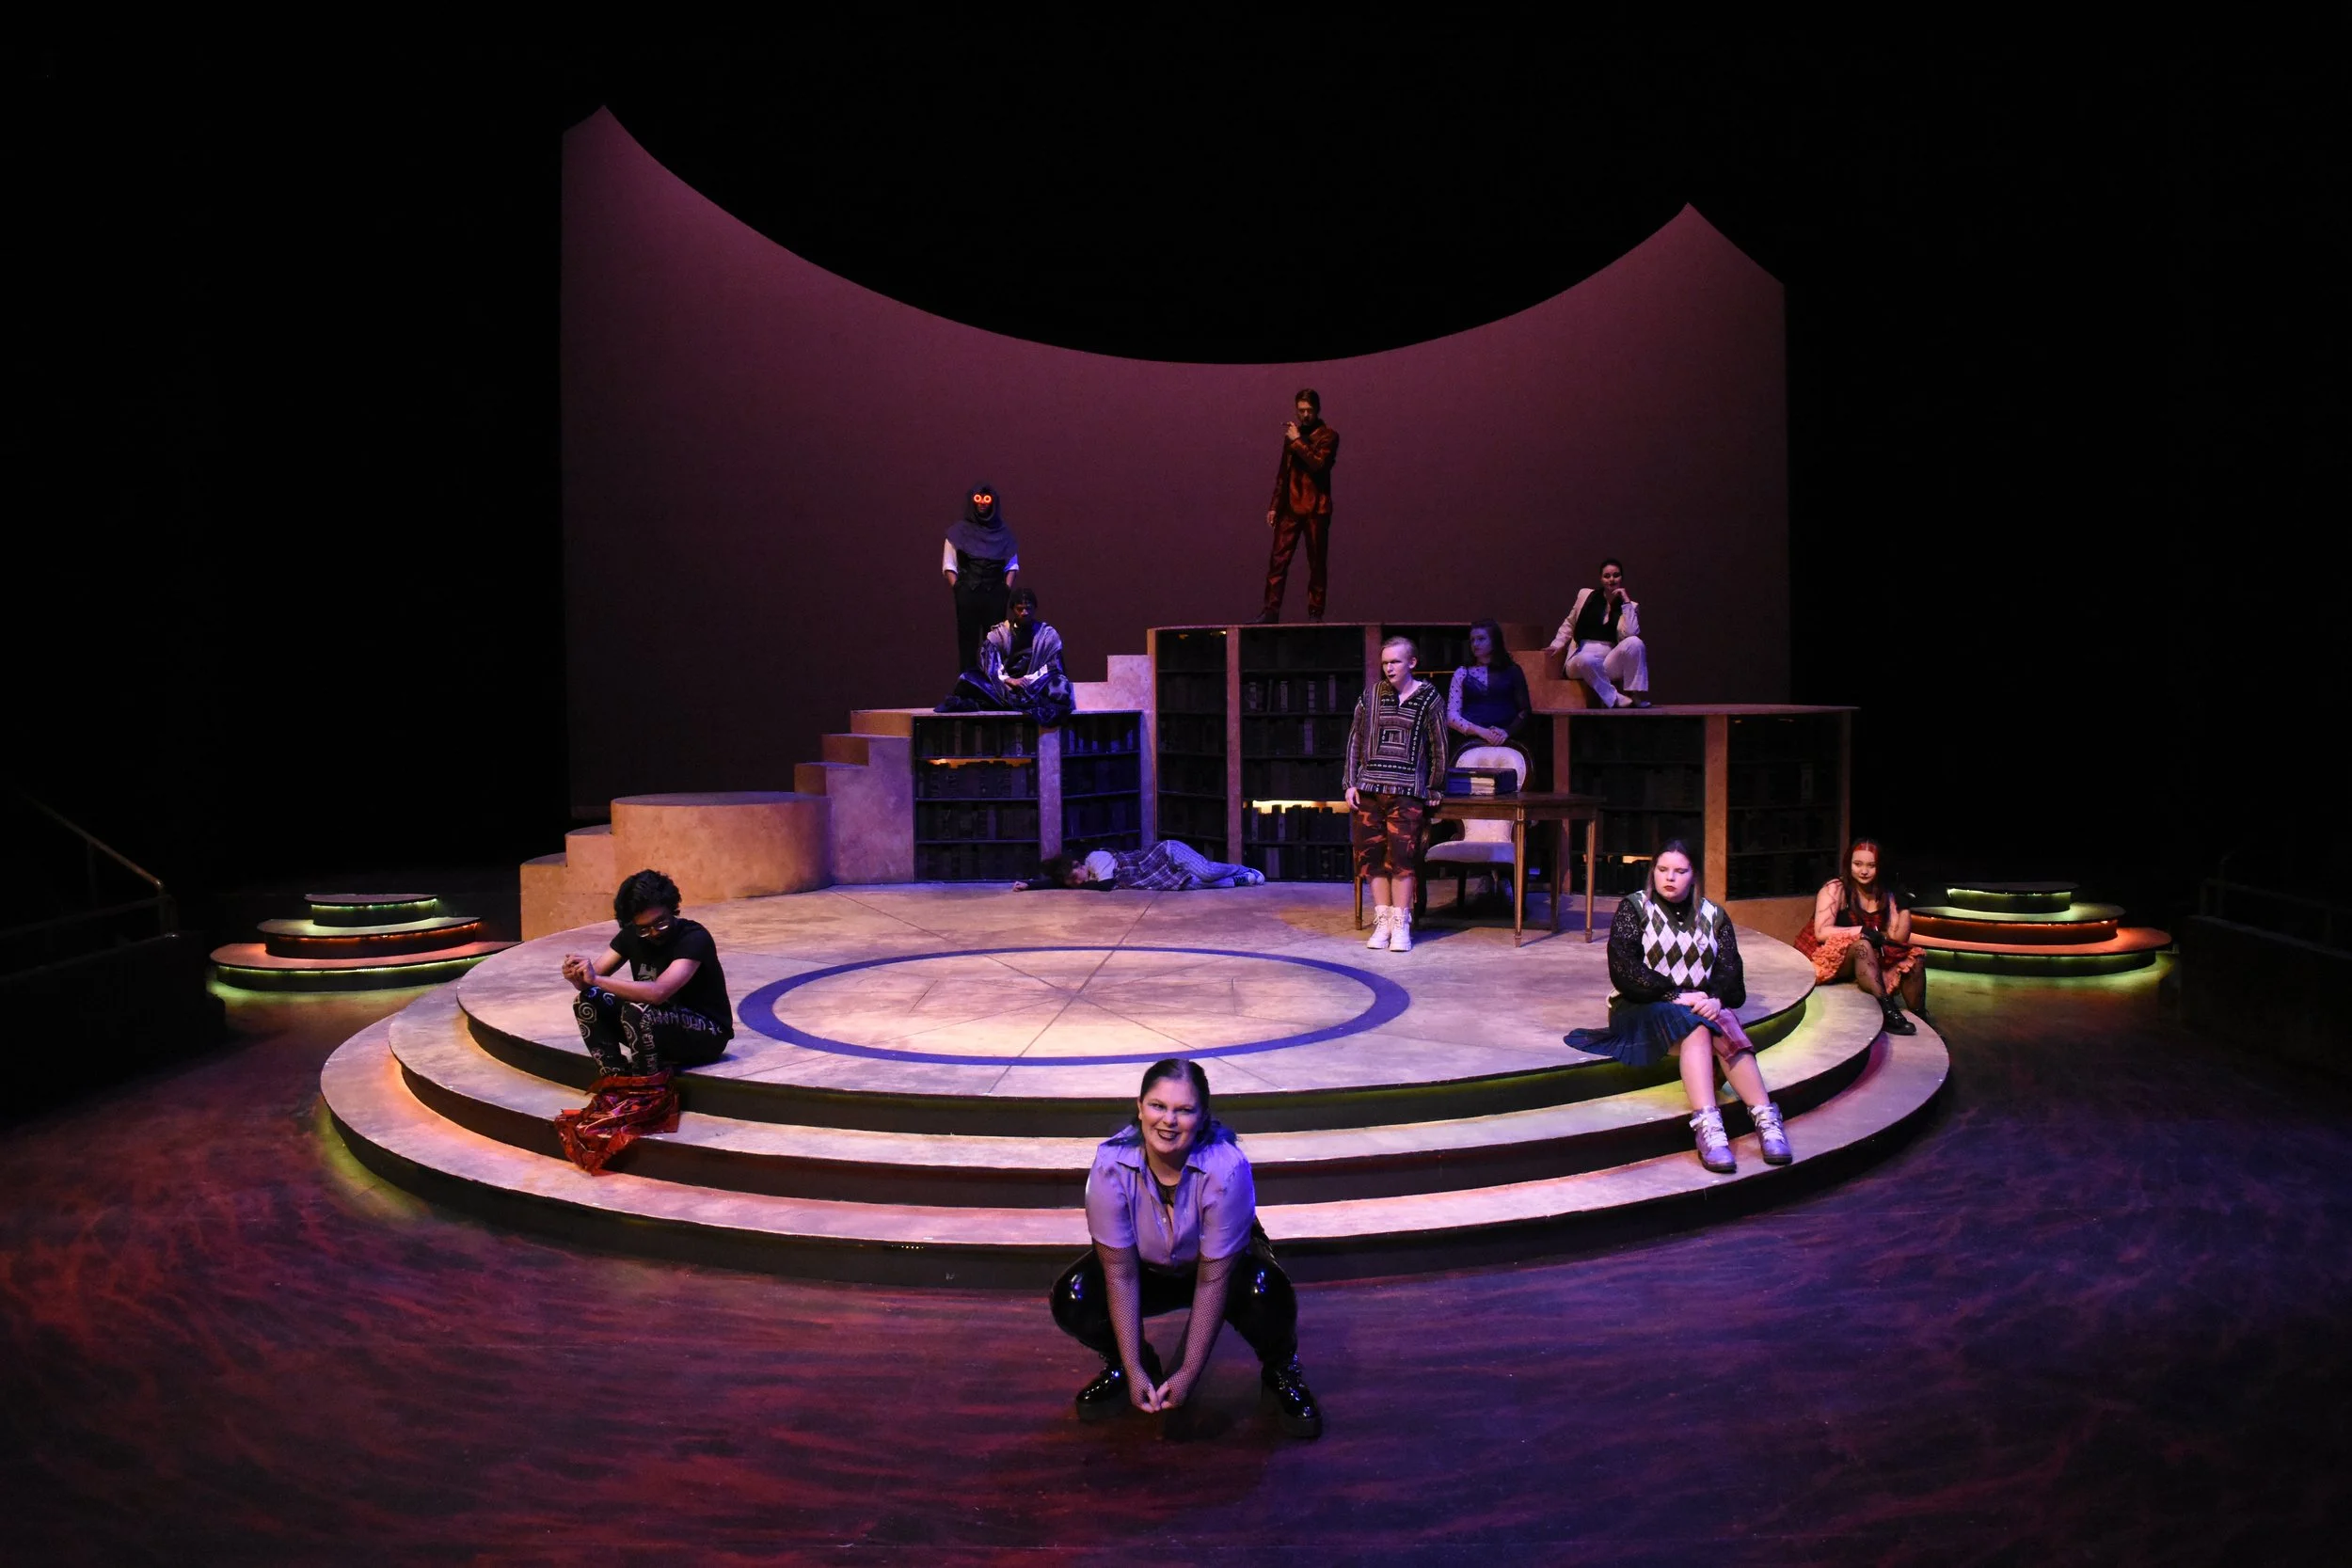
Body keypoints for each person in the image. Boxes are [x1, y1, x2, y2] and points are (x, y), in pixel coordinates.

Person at [1048, 1058, 1323, 1438]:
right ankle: (1123, 1363)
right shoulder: (1110, 1164)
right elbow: (1121, 1274)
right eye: (1158, 1106)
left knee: (1267, 1291)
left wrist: (1189, 1373)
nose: (1168, 1120)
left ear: (1203, 1115)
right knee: (1075, 1295)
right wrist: (1134, 1369)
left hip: (1219, 1272)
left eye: (1184, 1110)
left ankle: (1281, 1370)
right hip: (1147, 1269)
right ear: (1139, 1107)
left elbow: (1213, 1282)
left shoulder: (1227, 1168)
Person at [1563, 842, 1793, 1175]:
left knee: (1716, 1017)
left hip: (1697, 1009)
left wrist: (1716, 998)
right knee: (1699, 1025)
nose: (1670, 878)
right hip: (1640, 1006)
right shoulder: (1634, 908)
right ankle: (1710, 1128)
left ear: (1694, 876)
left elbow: (1731, 974)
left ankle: (1765, 1120)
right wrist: (1673, 994)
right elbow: (1625, 971)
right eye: (1662, 870)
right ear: (1652, 872)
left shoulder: (1714, 916)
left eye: (1680, 871)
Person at [553, 869, 734, 1174]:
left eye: (660, 922)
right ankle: (617, 1086)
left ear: (672, 909)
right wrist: (578, 975)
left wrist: (595, 979)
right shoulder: (631, 937)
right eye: (644, 928)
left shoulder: (694, 937)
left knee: (638, 1009)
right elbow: (592, 981)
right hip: (653, 1026)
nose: (654, 932)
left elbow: (659, 992)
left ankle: (648, 1099)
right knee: (587, 1003)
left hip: (705, 1032)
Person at [1347, 635, 1448, 954]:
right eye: (1386, 662)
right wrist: (1350, 782)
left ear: (1412, 663)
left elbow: (1439, 746)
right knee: (1372, 858)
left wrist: (1434, 785)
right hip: (1370, 789)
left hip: (1406, 792)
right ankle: (1383, 922)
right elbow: (1355, 739)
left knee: (1402, 859)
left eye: (1396, 662)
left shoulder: (1429, 698)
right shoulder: (1371, 696)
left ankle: (1401, 923)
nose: (1389, 668)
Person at [1794, 837, 1924, 1036]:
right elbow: (1821, 932)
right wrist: (1860, 931)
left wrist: (1904, 906)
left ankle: (1921, 1017)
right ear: (1849, 864)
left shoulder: (1884, 893)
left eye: (1871, 866)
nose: (1864, 871)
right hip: (1828, 957)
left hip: (1868, 957)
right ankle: (1887, 1010)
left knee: (1915, 959)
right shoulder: (1835, 889)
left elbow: (1898, 939)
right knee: (1862, 945)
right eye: (1858, 864)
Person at [936, 588, 1076, 722]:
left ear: (1035, 608)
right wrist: (1009, 680)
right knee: (967, 679)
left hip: (1035, 685)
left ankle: (1012, 702)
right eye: (1020, 609)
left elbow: (1052, 666)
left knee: (1060, 685)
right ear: (1013, 609)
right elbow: (991, 665)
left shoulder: (1047, 634)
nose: (1025, 613)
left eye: (1028, 608)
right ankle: (1009, 700)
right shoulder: (1000, 633)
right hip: (1004, 686)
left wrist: (1028, 680)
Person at [1258, 389, 1339, 623]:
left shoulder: (1329, 436)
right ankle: (1271, 611)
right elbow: (1283, 473)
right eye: (1301, 410)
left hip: (1316, 508)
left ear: (1317, 410)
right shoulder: (1291, 437)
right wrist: (1274, 505)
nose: (1305, 415)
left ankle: (1315, 612)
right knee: (1277, 561)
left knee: (1316, 562)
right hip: (1290, 508)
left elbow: (1319, 464)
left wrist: (1298, 441)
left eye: (1309, 411)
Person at [1541, 558, 1649, 708]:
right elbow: (1570, 623)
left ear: (1621, 578)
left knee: (1635, 643)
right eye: (1607, 576)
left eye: (1616, 575)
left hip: (1607, 660)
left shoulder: (1629, 606)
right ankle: (1615, 698)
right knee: (1586, 659)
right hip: (1580, 660)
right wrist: (1557, 644)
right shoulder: (1586, 596)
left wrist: (1625, 601)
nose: (1611, 579)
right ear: (1601, 578)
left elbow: (1631, 632)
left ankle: (1633, 694)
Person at [943, 482, 1020, 678]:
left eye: (987, 499)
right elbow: (949, 565)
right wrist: (959, 590)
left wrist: (1005, 590)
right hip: (968, 592)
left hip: (994, 593)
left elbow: (1012, 564)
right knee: (967, 641)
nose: (983, 503)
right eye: (978, 499)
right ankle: (968, 685)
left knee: (994, 641)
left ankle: (994, 685)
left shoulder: (1004, 533)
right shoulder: (959, 532)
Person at [1016, 841, 1265, 892]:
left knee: (1207, 871)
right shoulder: (1084, 875)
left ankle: (1241, 869)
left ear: (1077, 864)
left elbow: (1106, 885)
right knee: (1196, 885)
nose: (1079, 882)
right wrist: (1031, 885)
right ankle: (1241, 881)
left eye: (1076, 876)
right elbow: (1056, 884)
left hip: (1166, 855)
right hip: (1159, 878)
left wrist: (1082, 887)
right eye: (1074, 883)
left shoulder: (1095, 858)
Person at [1446, 618, 1533, 758]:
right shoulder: (1462, 673)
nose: (1475, 644)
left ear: (1494, 641)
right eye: (1473, 640)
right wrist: (1481, 732)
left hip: (1506, 740)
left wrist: (1506, 732)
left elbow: (1524, 710)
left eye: (1481, 639)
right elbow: (1451, 716)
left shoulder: (1512, 671)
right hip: (1471, 741)